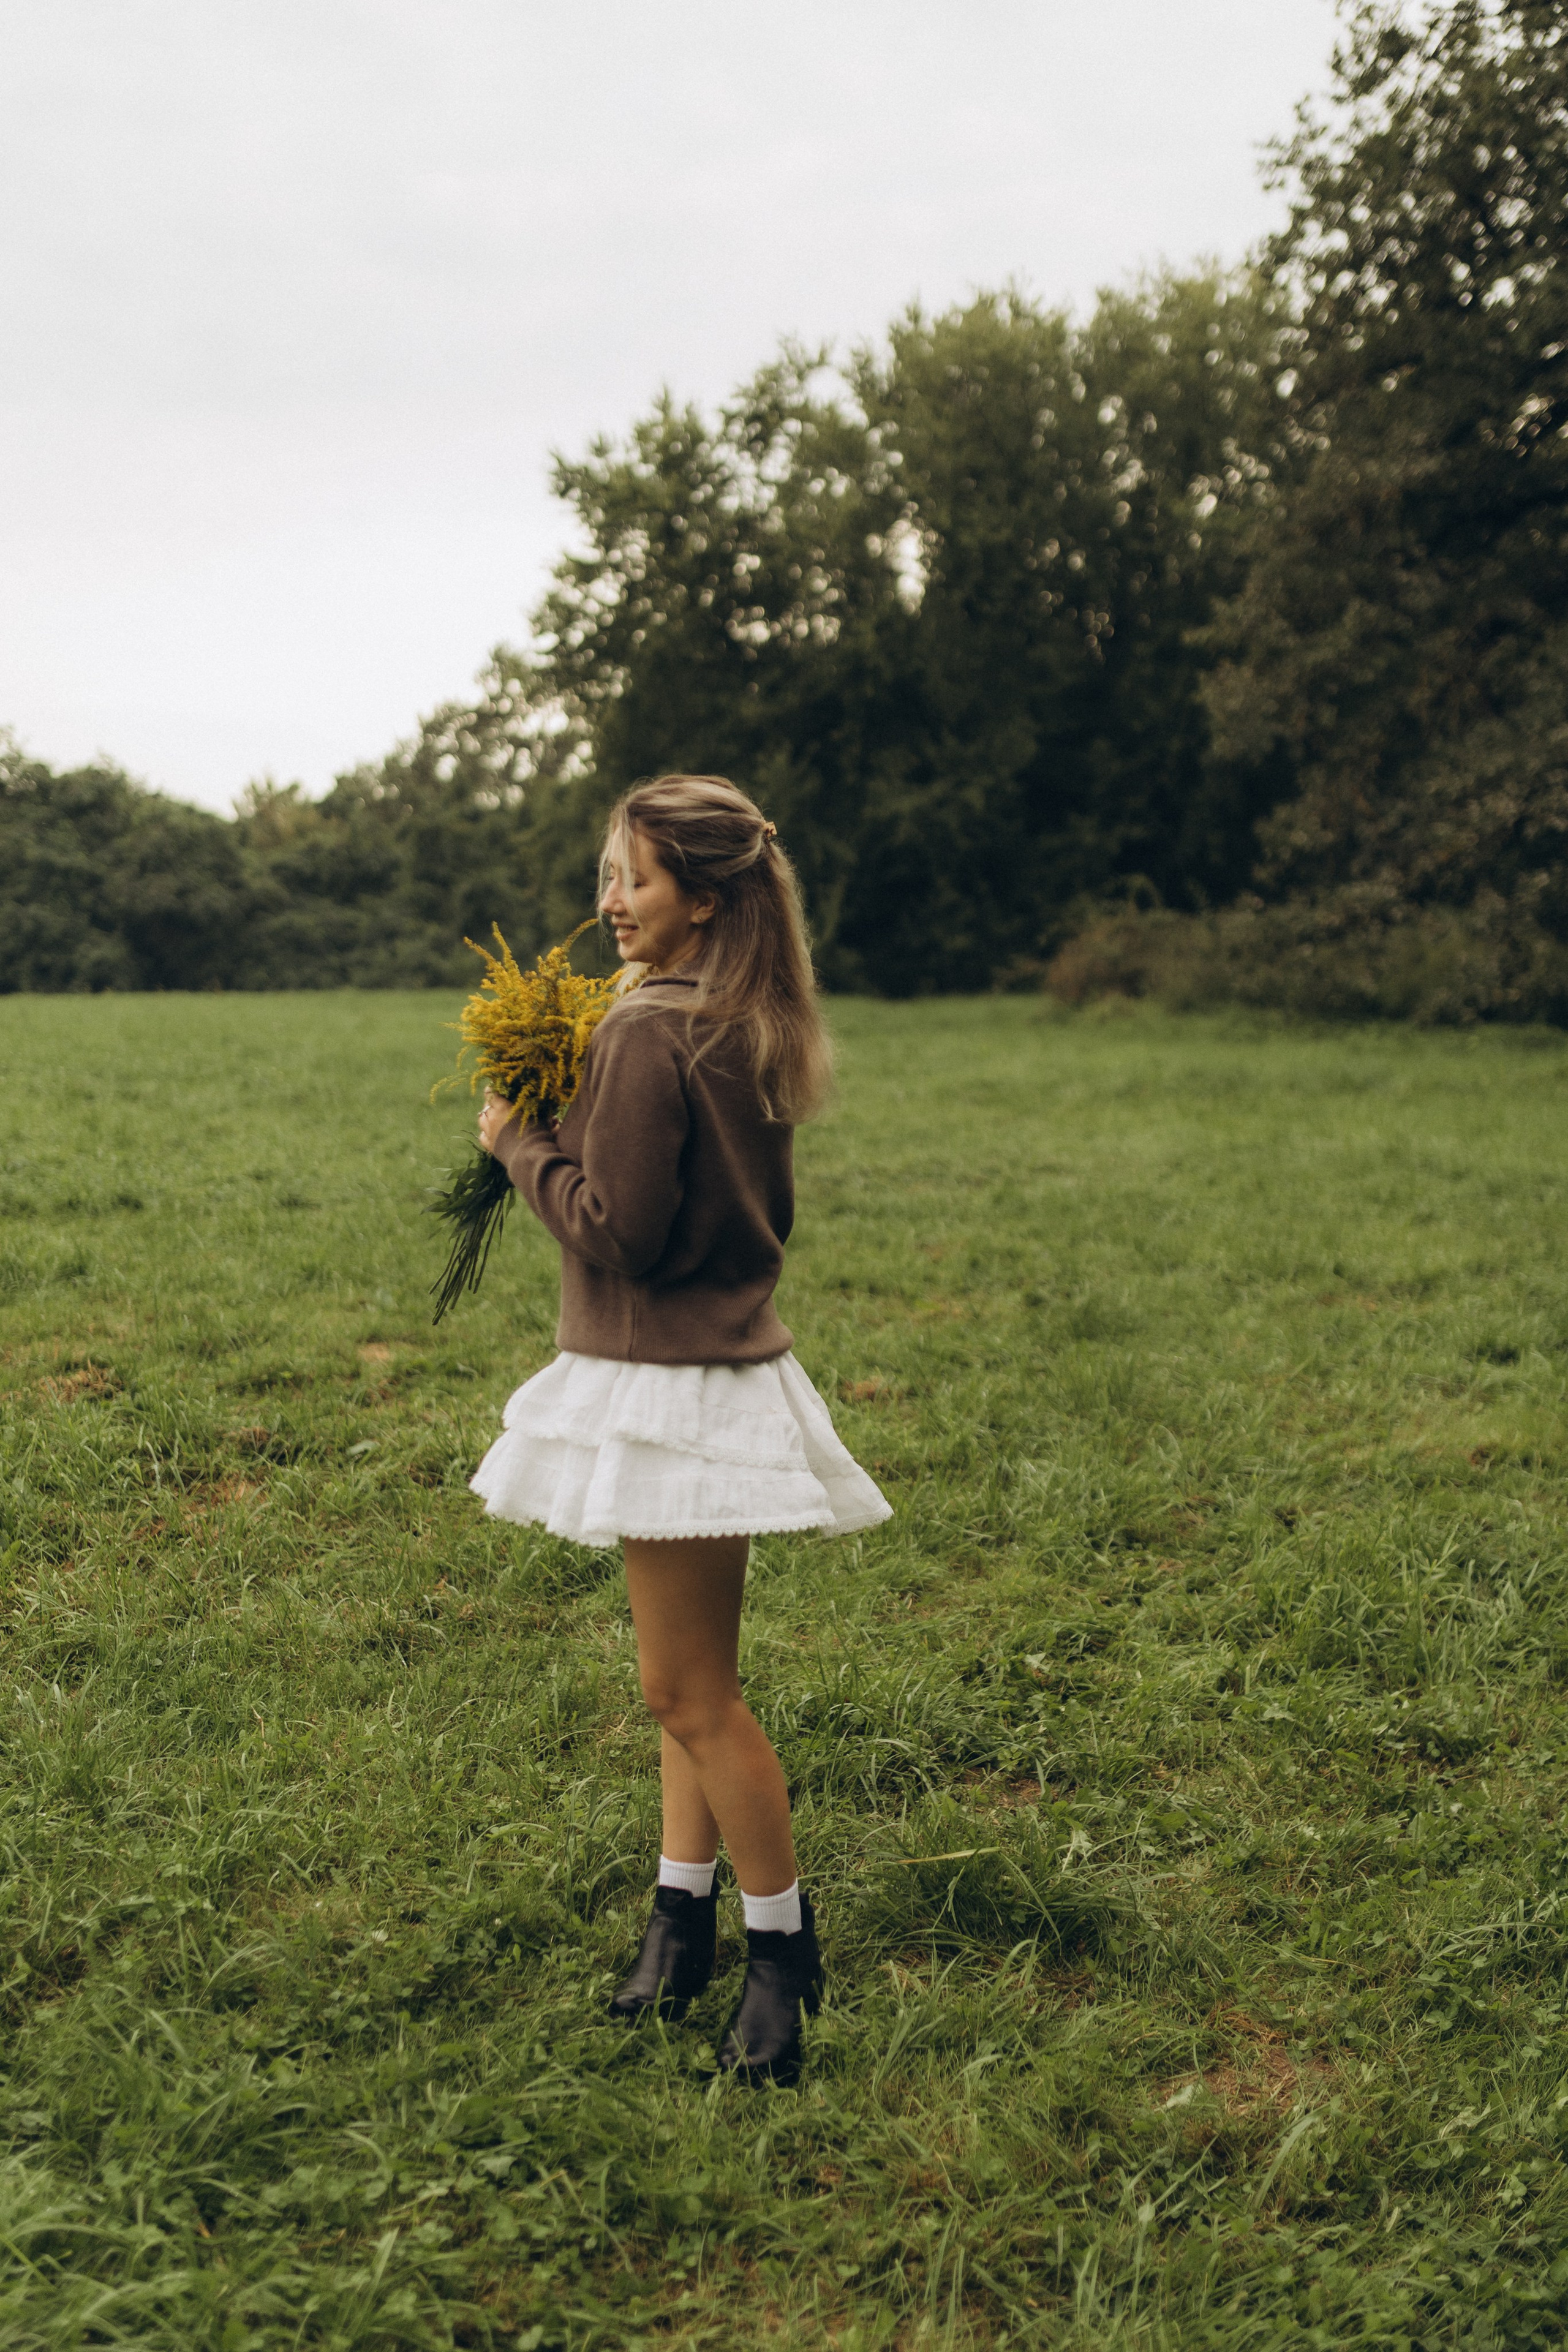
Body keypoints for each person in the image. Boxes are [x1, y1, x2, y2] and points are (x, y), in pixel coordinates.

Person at [469, 774, 890, 2086]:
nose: (609, 903)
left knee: (687, 1694)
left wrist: (518, 1149)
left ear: (701, 898)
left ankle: (781, 1957)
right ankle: (679, 1920)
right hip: (710, 1373)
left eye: (633, 880)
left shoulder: (648, 1035)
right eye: (608, 876)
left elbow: (620, 1232)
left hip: (673, 1384)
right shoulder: (738, 1018)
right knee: (684, 1682)